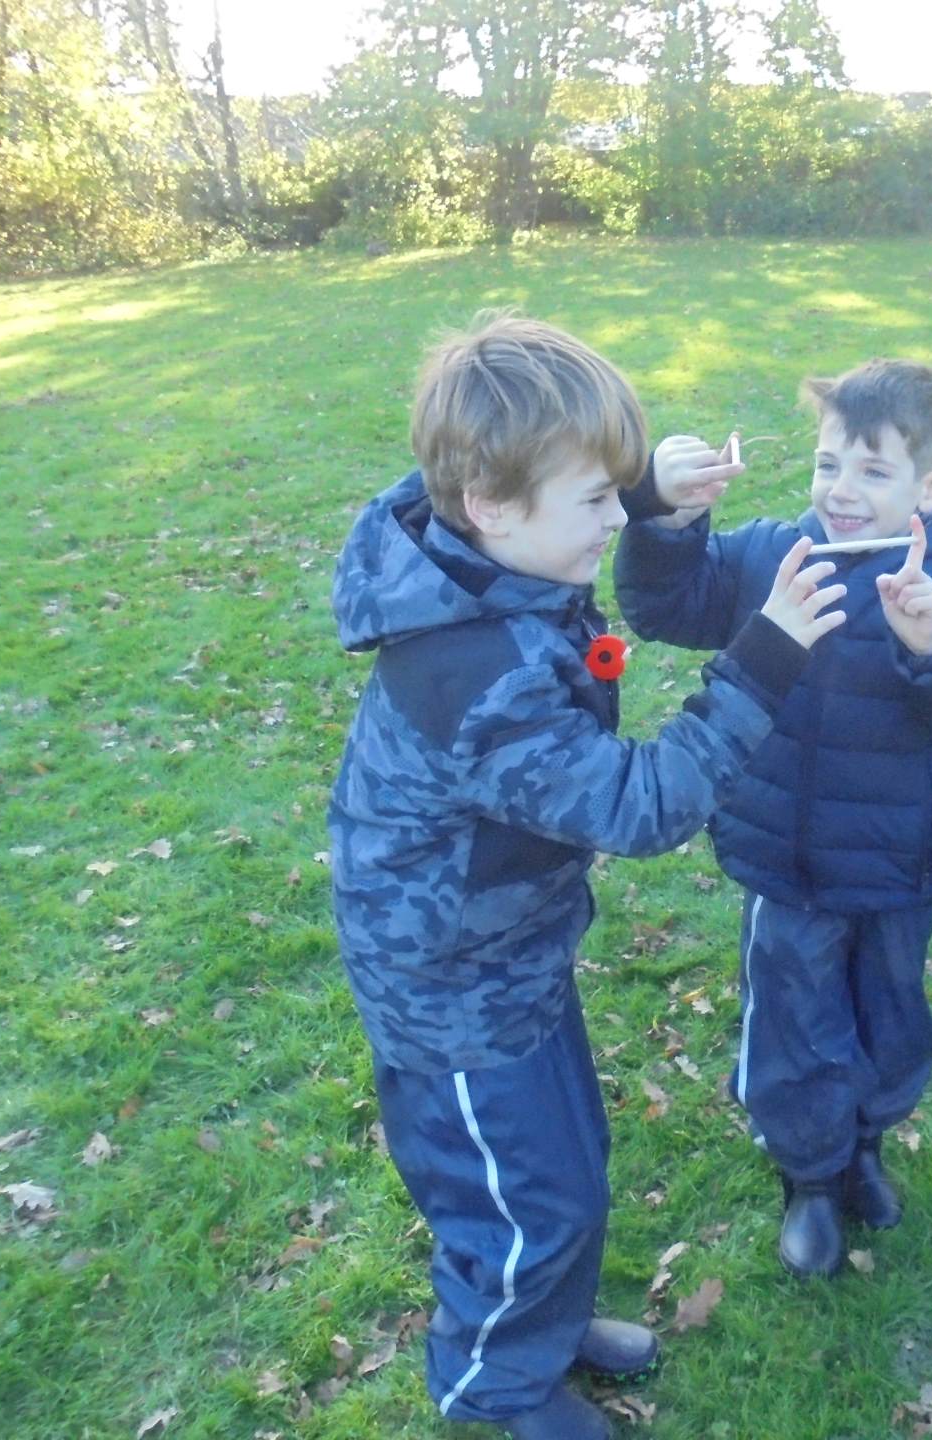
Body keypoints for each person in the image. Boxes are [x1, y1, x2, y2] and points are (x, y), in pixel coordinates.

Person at [328, 312, 847, 1438]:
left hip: (505, 949)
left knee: (568, 1165)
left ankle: (545, 1330)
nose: (615, 521)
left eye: (616, 494)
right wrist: (765, 656)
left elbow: (545, 501)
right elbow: (638, 804)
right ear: (493, 505)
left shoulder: (480, 548)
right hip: (450, 993)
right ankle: (493, 1385)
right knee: (525, 1203)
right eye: (597, 502)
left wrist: (644, 495)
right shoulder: (475, 675)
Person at [613, 358, 932, 1278]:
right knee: (794, 1024)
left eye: (873, 472)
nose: (841, 491)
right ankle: (809, 1177)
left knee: (891, 1016)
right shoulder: (778, 557)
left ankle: (865, 1147)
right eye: (827, 464)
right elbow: (665, 604)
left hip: (899, 862)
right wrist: (668, 521)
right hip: (790, 861)